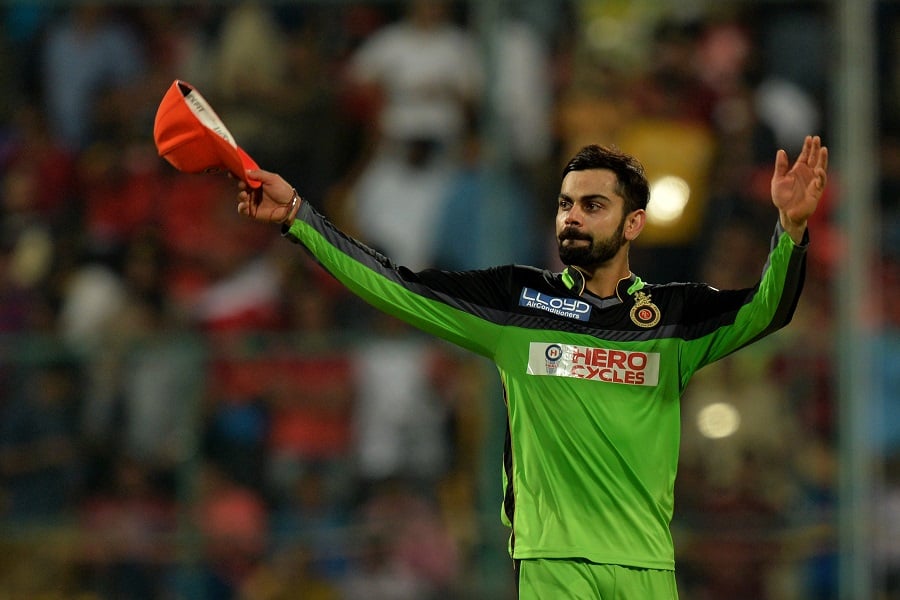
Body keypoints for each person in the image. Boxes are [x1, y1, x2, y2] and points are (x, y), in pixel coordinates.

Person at [234, 135, 828, 598]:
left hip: (647, 565)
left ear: (633, 224)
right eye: (566, 204)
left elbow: (764, 310)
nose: (572, 216)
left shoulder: (672, 316)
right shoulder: (516, 302)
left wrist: (791, 229)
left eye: (593, 205)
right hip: (554, 564)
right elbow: (396, 286)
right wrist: (299, 218)